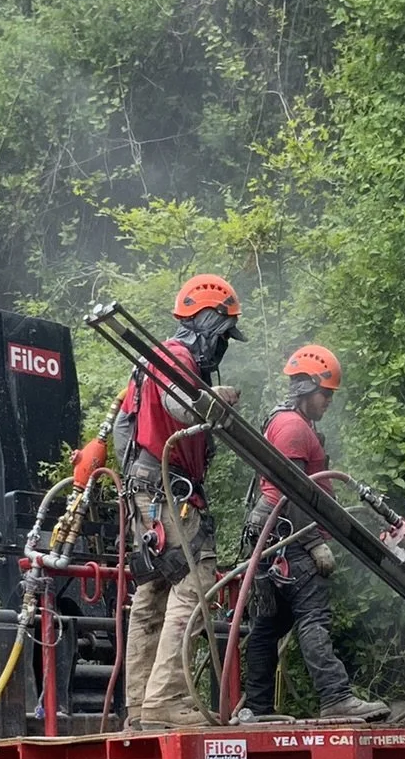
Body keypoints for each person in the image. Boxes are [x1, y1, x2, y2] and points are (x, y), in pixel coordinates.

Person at [235, 345, 386, 724]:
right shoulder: (292, 428)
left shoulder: (288, 422)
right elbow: (294, 490)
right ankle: (336, 698)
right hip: (288, 534)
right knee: (312, 615)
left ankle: (257, 707)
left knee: (269, 624)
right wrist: (315, 542)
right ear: (305, 388)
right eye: (325, 394)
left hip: (270, 536)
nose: (328, 402)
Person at [120, 273, 244, 730]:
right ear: (209, 322)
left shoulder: (145, 361)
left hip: (144, 489)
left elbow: (121, 432)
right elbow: (180, 408)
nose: (225, 346)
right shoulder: (177, 357)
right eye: (225, 333)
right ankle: (167, 699)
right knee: (194, 581)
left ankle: (139, 705)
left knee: (152, 591)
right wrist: (214, 398)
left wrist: (141, 483)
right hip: (171, 491)